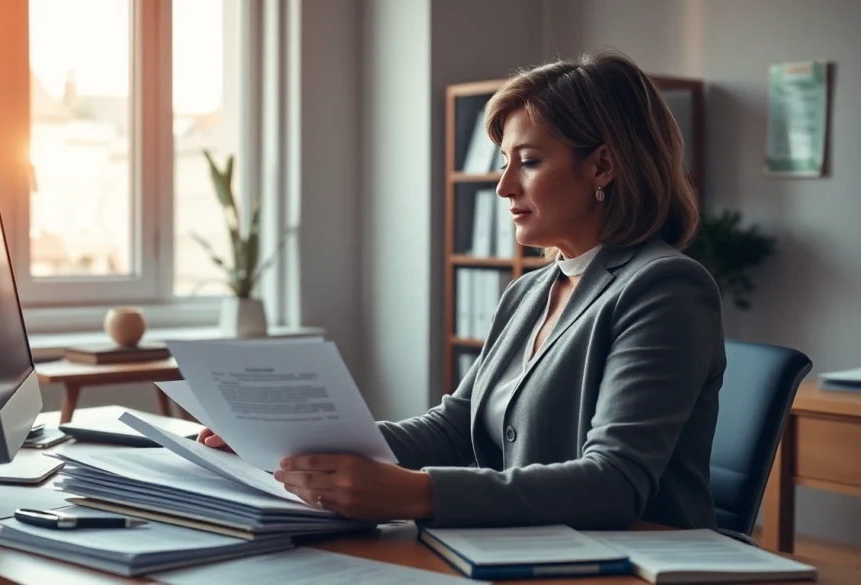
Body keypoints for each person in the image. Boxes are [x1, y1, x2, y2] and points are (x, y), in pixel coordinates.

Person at [198, 50, 726, 531]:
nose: (504, 187)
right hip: (528, 548)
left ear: (602, 165)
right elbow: (456, 428)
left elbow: (614, 483)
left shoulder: (665, 287)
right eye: (504, 163)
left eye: (530, 161)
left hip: (633, 562)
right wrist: (290, 446)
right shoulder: (528, 292)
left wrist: (420, 493)